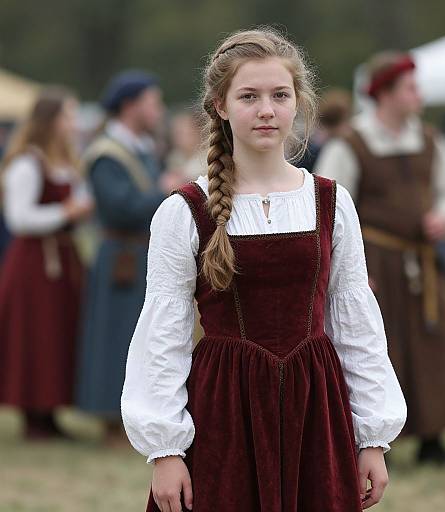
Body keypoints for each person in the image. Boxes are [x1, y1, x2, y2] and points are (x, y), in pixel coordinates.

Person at [121, 28, 406, 512]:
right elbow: (162, 334)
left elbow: (355, 325)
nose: (266, 110)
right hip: (224, 412)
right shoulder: (185, 210)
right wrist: (165, 450)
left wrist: (372, 437)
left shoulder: (331, 202)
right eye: (249, 96)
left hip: (315, 406)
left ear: (298, 103)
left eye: (279, 95)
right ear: (220, 105)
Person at [315, 51, 445, 466]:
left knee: (440, 342)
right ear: (385, 93)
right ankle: (367, 447)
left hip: (422, 263)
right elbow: (327, 209)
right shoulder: (351, 143)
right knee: (373, 350)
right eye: (410, 87)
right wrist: (347, 271)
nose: (418, 95)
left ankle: (433, 439)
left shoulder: (428, 140)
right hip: (372, 266)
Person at [77, 70, 169, 442]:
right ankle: (110, 418)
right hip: (121, 257)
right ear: (130, 106)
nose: (158, 110)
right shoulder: (107, 154)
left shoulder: (140, 148)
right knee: (117, 336)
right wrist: (163, 192)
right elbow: (119, 209)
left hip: (141, 253)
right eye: (152, 102)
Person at [0, 87, 93, 438]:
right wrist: (65, 212)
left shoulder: (66, 161)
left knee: (57, 333)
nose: (72, 123)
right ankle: (33, 415)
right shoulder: (27, 162)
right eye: (68, 115)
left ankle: (50, 411)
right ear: (50, 120)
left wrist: (77, 213)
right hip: (35, 264)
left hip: (61, 258)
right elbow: (19, 218)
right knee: (34, 334)